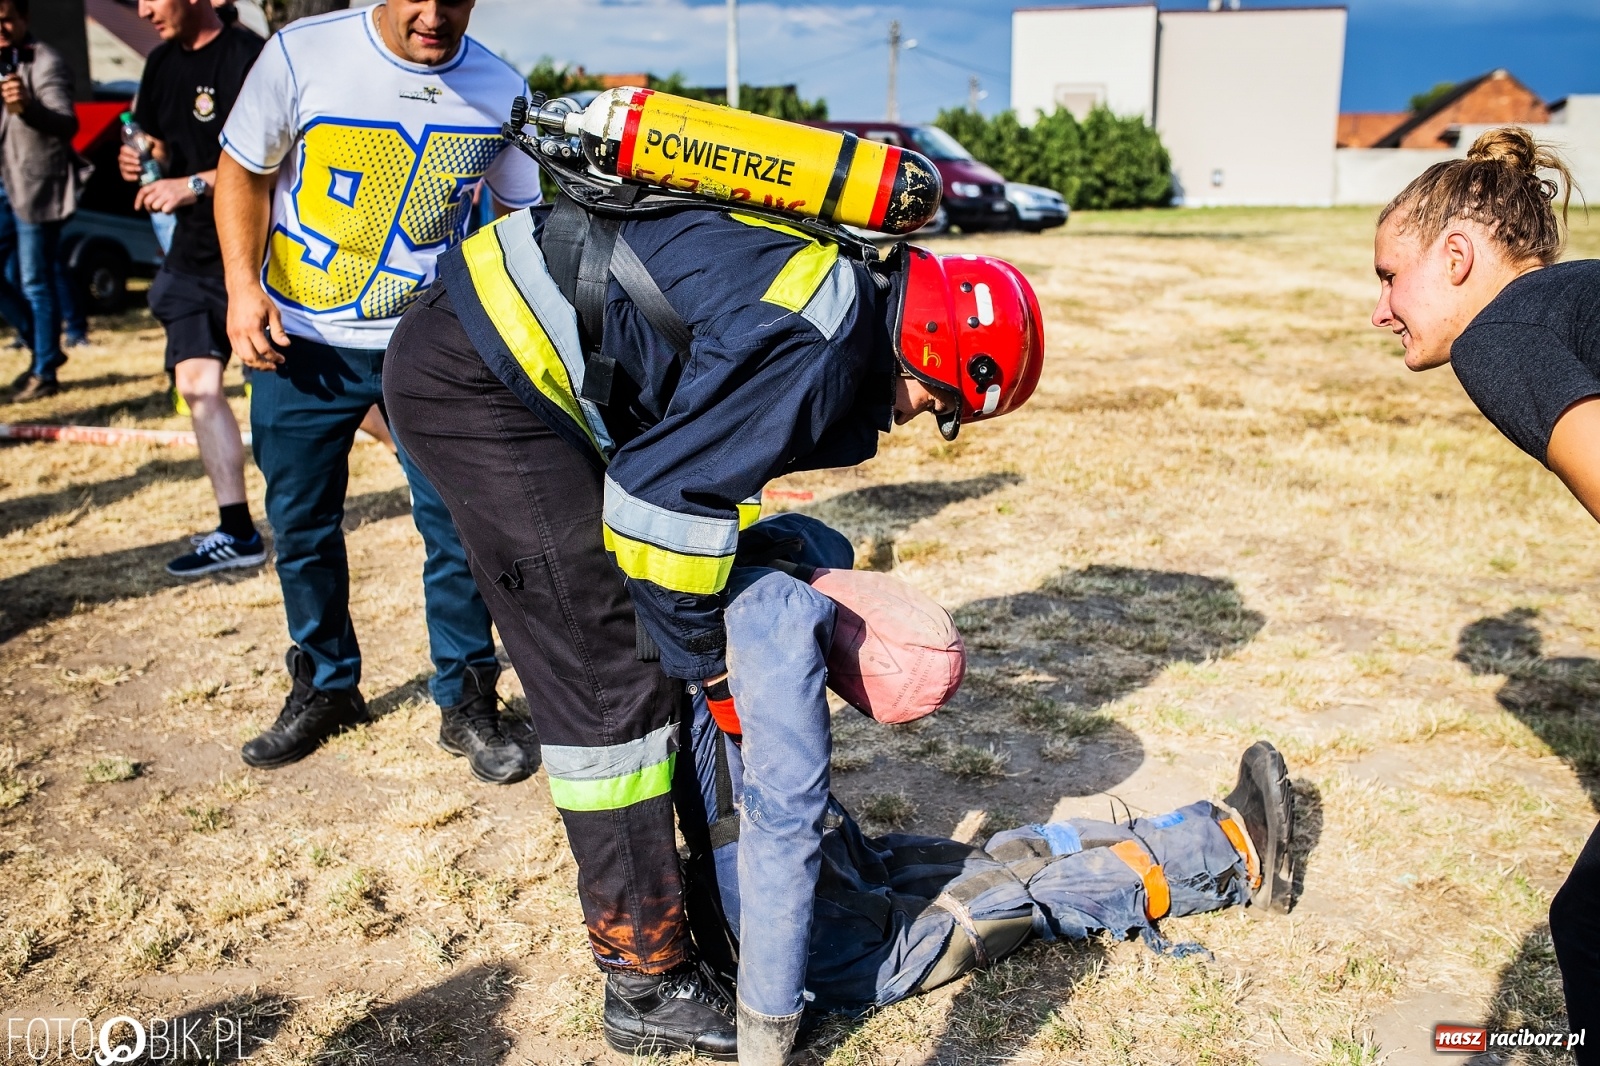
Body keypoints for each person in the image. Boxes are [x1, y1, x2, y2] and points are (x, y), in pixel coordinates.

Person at [381, 159, 1044, 1054]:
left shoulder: (840, 290)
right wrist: (715, 666)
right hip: (481, 384)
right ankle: (644, 981)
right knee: (609, 687)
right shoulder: (821, 342)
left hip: (501, 343)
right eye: (944, 402)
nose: (920, 417)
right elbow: (660, 505)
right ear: (930, 346)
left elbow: (697, 457)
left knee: (645, 643)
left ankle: (684, 894)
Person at [678, 511, 1295, 1063]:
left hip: (800, 868)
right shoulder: (769, 623)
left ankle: (1192, 833)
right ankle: (1229, 856)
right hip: (808, 934)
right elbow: (782, 827)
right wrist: (769, 1021)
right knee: (1004, 898)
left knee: (981, 858)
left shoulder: (695, 591)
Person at [214, 0, 543, 783]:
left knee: (458, 528)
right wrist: (239, 287)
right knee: (300, 524)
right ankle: (326, 687)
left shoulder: (501, 89)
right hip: (301, 344)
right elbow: (244, 171)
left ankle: (466, 701)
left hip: (432, 350)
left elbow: (523, 212)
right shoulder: (302, 53)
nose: (435, 15)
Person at [1371, 126, 1596, 1061]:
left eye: (1389, 275)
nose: (1380, 310)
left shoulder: (1502, 334)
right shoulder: (1574, 296)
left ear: (1457, 257)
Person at [123, 0, 266, 578]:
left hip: (258, 255)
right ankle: (237, 531)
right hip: (189, 258)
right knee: (197, 384)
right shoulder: (158, 61)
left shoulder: (250, 57)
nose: (143, 8)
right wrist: (143, 160)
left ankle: (433, 491)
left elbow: (277, 159)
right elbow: (155, 142)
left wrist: (194, 185)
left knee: (341, 402)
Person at [0, 0, 84, 402]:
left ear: (23, 19)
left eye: (5, 19)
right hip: (1, 184)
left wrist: (28, 108)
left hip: (35, 186)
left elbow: (67, 123)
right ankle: (44, 345)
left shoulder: (45, 60)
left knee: (35, 279)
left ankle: (45, 371)